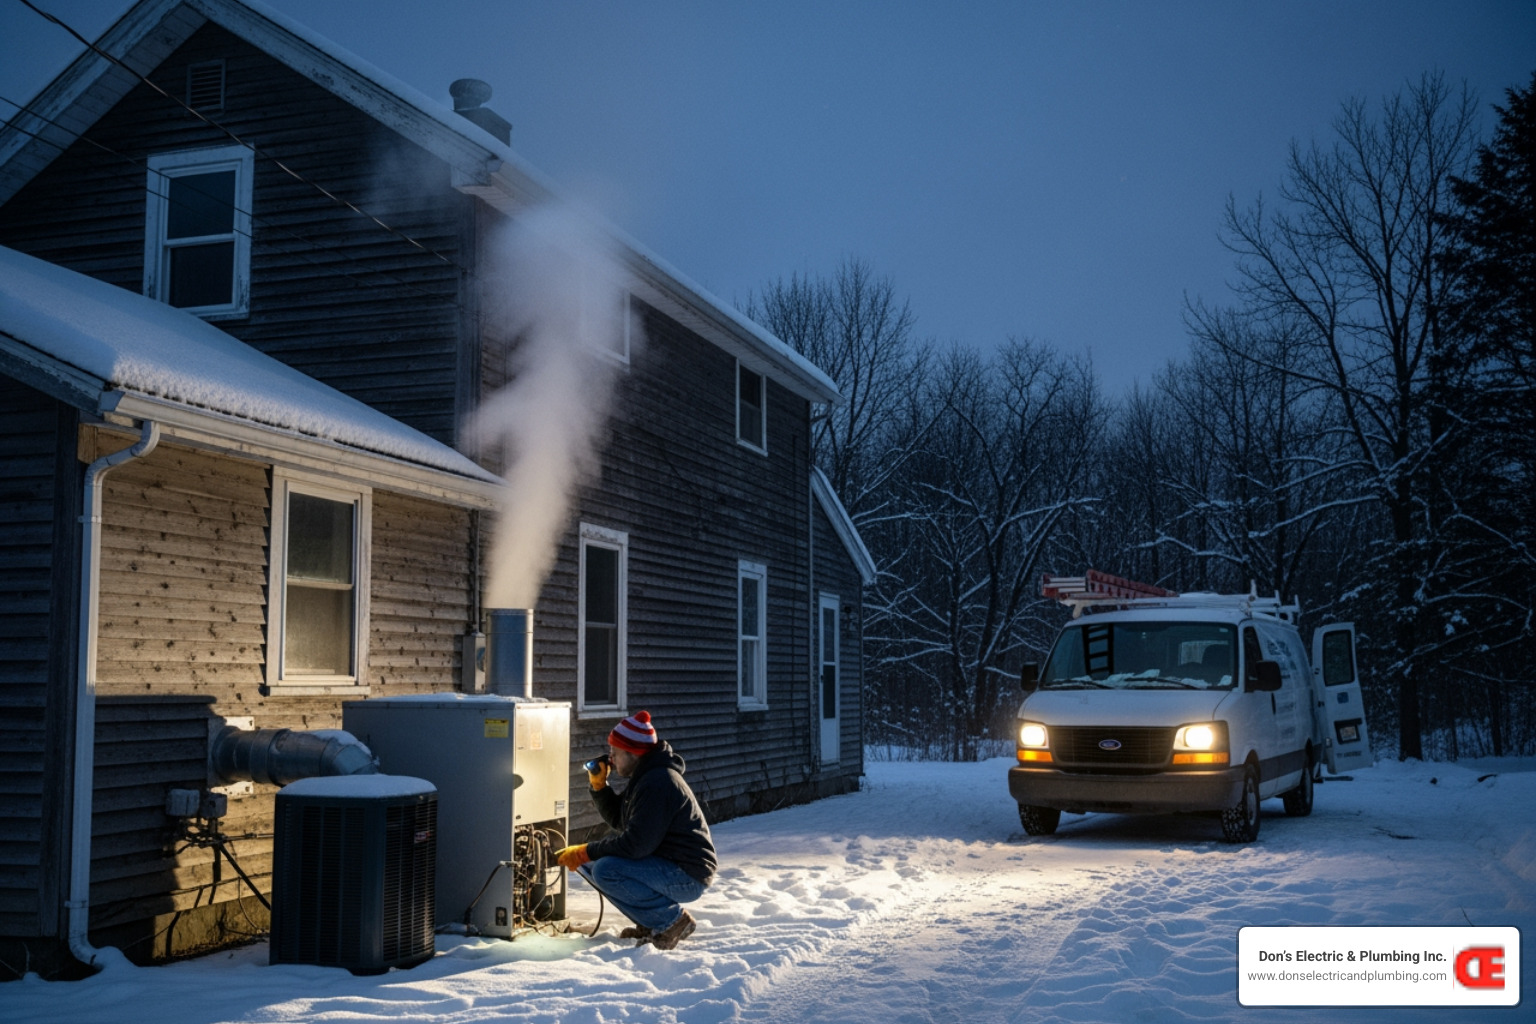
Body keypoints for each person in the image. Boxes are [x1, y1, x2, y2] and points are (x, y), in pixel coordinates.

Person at [556, 710, 716, 949]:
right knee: (593, 865)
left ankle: (672, 922)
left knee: (607, 869)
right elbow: (622, 823)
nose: (610, 759)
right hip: (669, 864)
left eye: (615, 753)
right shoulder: (646, 777)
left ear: (633, 753)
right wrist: (600, 787)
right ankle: (651, 922)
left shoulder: (657, 782)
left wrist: (586, 851)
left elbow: (635, 845)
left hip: (687, 874)